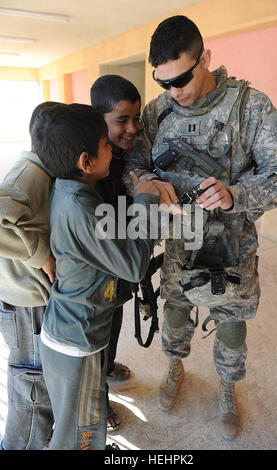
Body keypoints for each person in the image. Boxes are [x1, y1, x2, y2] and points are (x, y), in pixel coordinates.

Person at [124, 15, 277, 441]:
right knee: (175, 311)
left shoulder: (251, 107)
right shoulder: (157, 112)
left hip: (232, 245)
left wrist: (235, 194)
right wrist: (151, 185)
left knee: (232, 323)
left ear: (206, 59)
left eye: (181, 78)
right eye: (163, 82)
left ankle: (226, 387)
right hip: (181, 245)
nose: (173, 91)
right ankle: (173, 369)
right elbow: (132, 167)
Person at [31, 102, 160, 450]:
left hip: (67, 331)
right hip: (78, 343)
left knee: (74, 421)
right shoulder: (83, 211)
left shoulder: (68, 192)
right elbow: (134, 265)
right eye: (107, 144)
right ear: (86, 161)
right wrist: (146, 202)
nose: (113, 148)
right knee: (83, 431)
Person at [0, 101, 59, 450]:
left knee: (39, 384)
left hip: (28, 301)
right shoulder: (28, 174)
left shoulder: (40, 172)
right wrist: (41, 253)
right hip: (26, 306)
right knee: (34, 390)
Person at [90, 75, 142, 432]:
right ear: (99, 120)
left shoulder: (124, 156)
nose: (132, 128)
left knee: (114, 326)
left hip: (119, 273)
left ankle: (108, 367)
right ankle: (98, 399)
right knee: (95, 340)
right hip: (97, 276)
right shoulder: (88, 166)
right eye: (121, 120)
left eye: (135, 118)